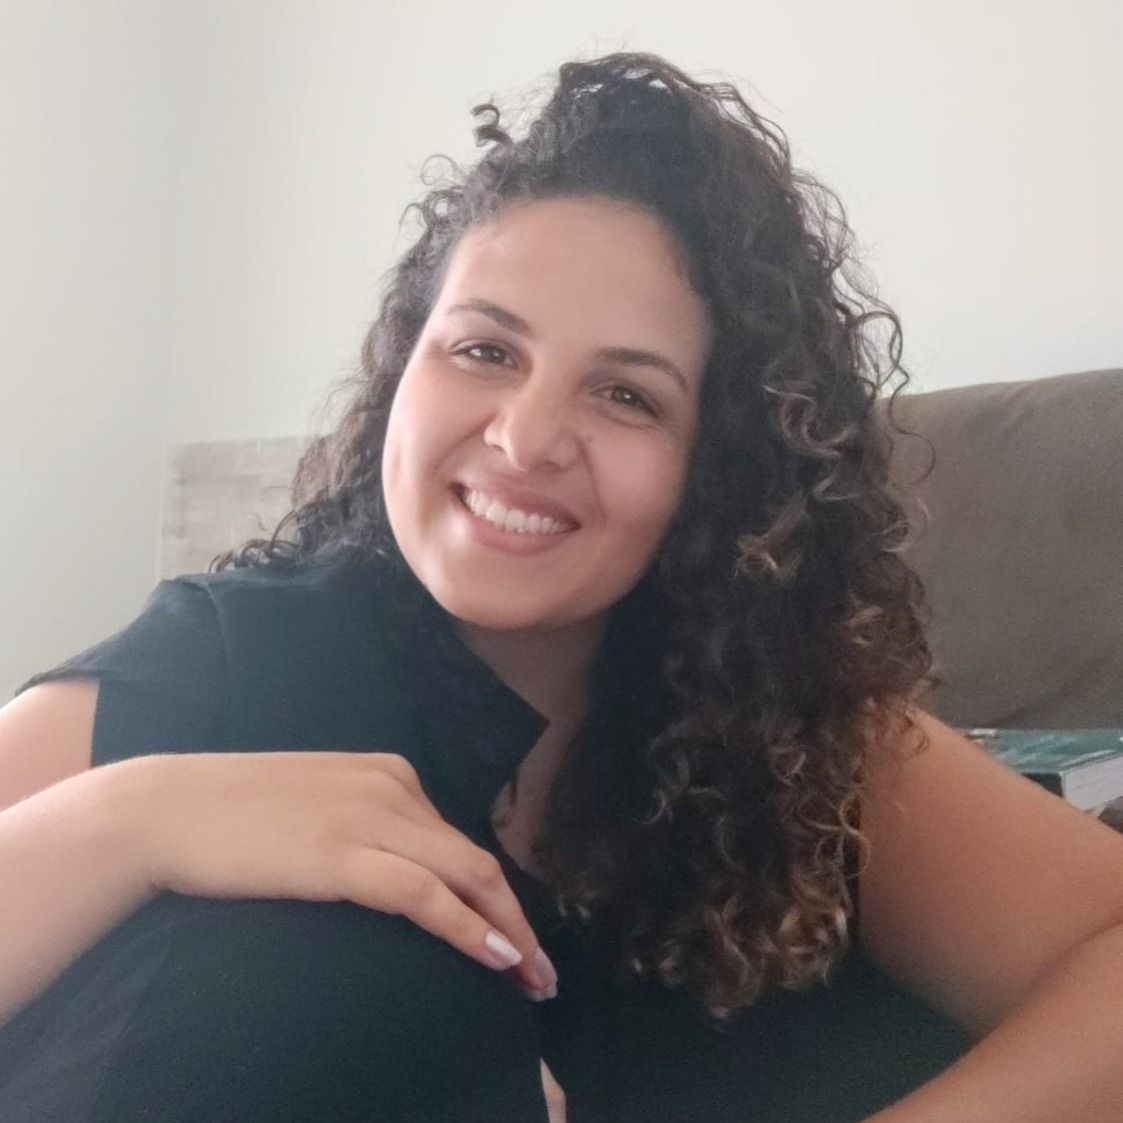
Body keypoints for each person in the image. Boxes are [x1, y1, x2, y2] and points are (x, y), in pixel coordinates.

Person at [1, 51, 1122, 1123]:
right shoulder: (223, 667)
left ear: (718, 469)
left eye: (627, 396)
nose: (524, 437)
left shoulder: (793, 741)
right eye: (484, 351)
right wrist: (129, 822)